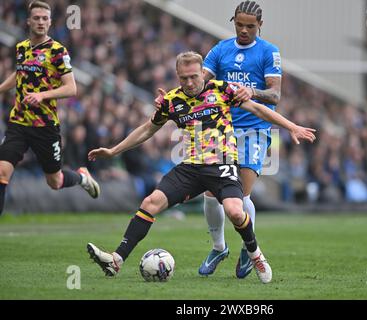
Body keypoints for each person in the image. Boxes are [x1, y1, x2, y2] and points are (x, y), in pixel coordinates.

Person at [86, 51, 316, 284]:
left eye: (193, 77)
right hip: (191, 168)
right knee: (149, 203)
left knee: (236, 211)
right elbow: (147, 129)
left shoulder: (221, 89)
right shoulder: (171, 101)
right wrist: (113, 150)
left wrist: (291, 126)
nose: (189, 82)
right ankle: (116, 260)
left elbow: (258, 109)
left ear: (202, 74)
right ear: (177, 75)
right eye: (183, 78)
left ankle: (255, 254)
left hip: (223, 166)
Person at [200, 0, 284, 278]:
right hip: (221, 130)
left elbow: (274, 95)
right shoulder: (220, 50)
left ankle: (248, 250)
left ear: (260, 25)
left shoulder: (269, 52)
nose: (244, 30)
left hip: (254, 130)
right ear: (233, 21)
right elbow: (199, 82)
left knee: (240, 194)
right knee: (211, 194)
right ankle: (218, 247)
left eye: (250, 26)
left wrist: (251, 92)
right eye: (239, 24)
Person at [0, 1, 100, 216]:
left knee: (54, 181)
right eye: (36, 18)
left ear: (50, 22)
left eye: (45, 18)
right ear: (28, 21)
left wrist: (42, 95)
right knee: (2, 172)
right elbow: (19, 74)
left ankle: (82, 177)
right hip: (18, 122)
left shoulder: (57, 51)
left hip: (44, 126)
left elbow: (71, 88)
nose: (41, 22)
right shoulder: (21, 48)